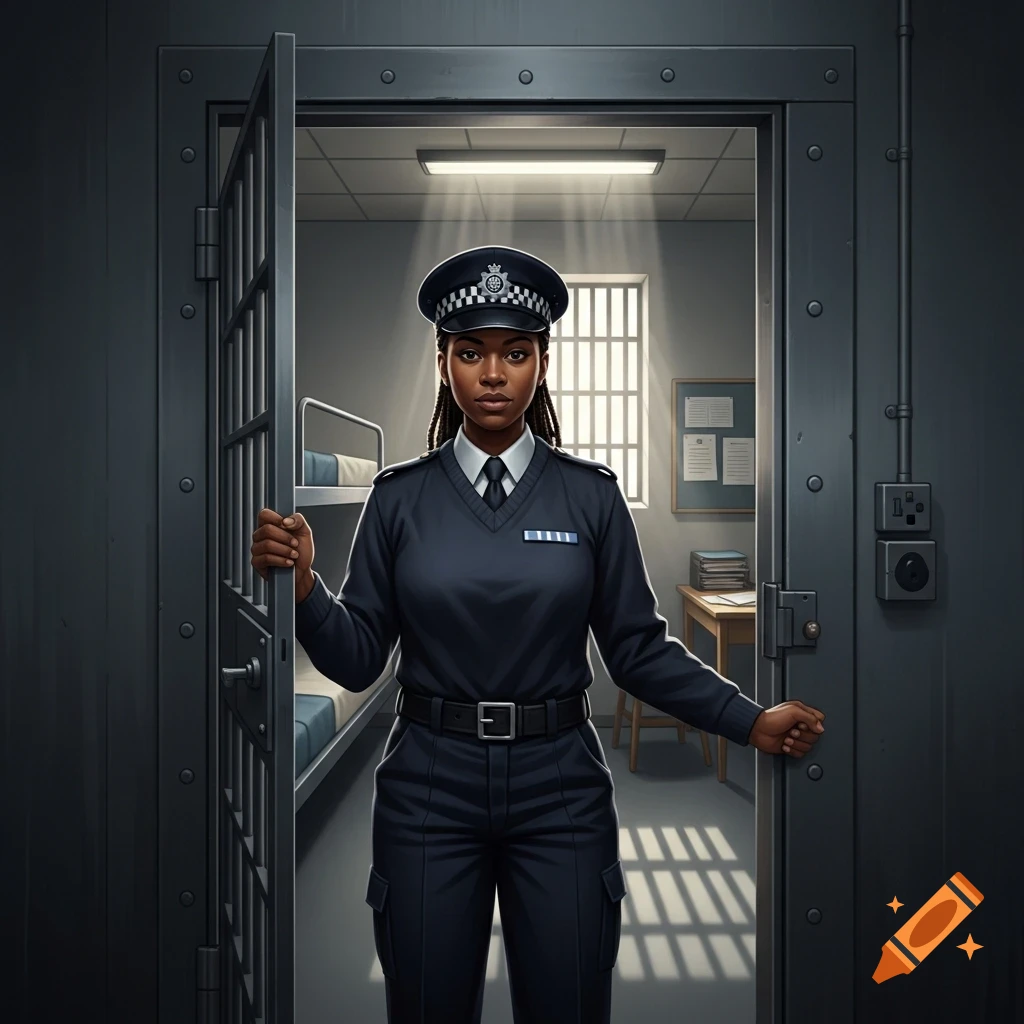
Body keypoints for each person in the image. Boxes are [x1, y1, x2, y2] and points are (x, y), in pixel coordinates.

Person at [250, 245, 825, 1024]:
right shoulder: (398, 501)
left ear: (542, 364)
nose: (494, 374)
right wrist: (308, 588)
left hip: (559, 786)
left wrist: (748, 719)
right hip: (428, 784)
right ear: (445, 362)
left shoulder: (590, 499)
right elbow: (356, 661)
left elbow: (638, 650)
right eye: (472, 353)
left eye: (515, 353)